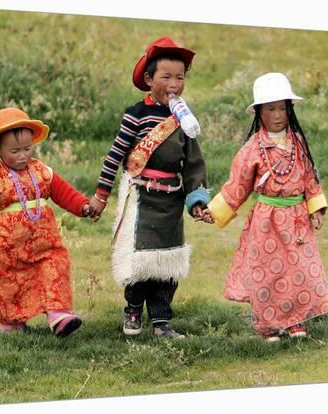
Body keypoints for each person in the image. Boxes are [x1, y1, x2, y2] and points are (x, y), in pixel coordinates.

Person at [88, 36, 210, 339]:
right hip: (141, 198)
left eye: (180, 77)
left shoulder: (184, 119)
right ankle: (133, 309)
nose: (174, 83)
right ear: (148, 79)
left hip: (171, 200)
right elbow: (115, 157)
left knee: (168, 261)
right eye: (166, 76)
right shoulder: (136, 115)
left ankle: (161, 319)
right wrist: (100, 196)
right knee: (140, 260)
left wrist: (196, 200)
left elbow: (194, 163)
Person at [201, 72, 328, 342]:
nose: (277, 115)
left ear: (289, 109)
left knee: (299, 270)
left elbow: (309, 177)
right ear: (259, 112)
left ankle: (295, 320)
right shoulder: (252, 149)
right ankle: (268, 326)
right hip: (267, 221)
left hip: (297, 221)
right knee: (269, 274)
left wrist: (315, 207)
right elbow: (237, 185)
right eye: (270, 109)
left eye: (282, 108)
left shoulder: (298, 143)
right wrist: (214, 212)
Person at [0, 107, 92, 337]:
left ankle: (58, 315)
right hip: (9, 250)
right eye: (15, 150)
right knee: (9, 285)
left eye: (27, 148)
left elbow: (63, 192)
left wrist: (82, 206)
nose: (23, 155)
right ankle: (12, 323)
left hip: (45, 243)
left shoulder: (41, 171)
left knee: (55, 268)